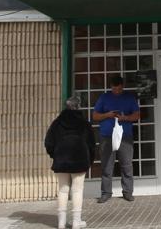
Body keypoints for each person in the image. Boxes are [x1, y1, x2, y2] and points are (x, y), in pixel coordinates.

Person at [44, 96, 95, 229]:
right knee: (77, 190)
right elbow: (91, 144)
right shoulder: (84, 123)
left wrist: (54, 155)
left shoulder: (57, 123)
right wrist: (89, 160)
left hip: (61, 159)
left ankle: (61, 223)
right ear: (79, 107)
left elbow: (48, 142)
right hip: (80, 160)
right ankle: (76, 222)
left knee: (63, 190)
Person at [93, 75, 140, 203]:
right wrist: (107, 114)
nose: (117, 92)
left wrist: (125, 118)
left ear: (122, 86)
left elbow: (137, 115)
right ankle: (106, 193)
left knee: (127, 165)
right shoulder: (104, 97)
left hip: (125, 136)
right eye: (114, 89)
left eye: (119, 89)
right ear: (110, 87)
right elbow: (95, 116)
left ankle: (128, 192)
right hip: (106, 136)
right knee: (107, 165)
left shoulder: (129, 97)